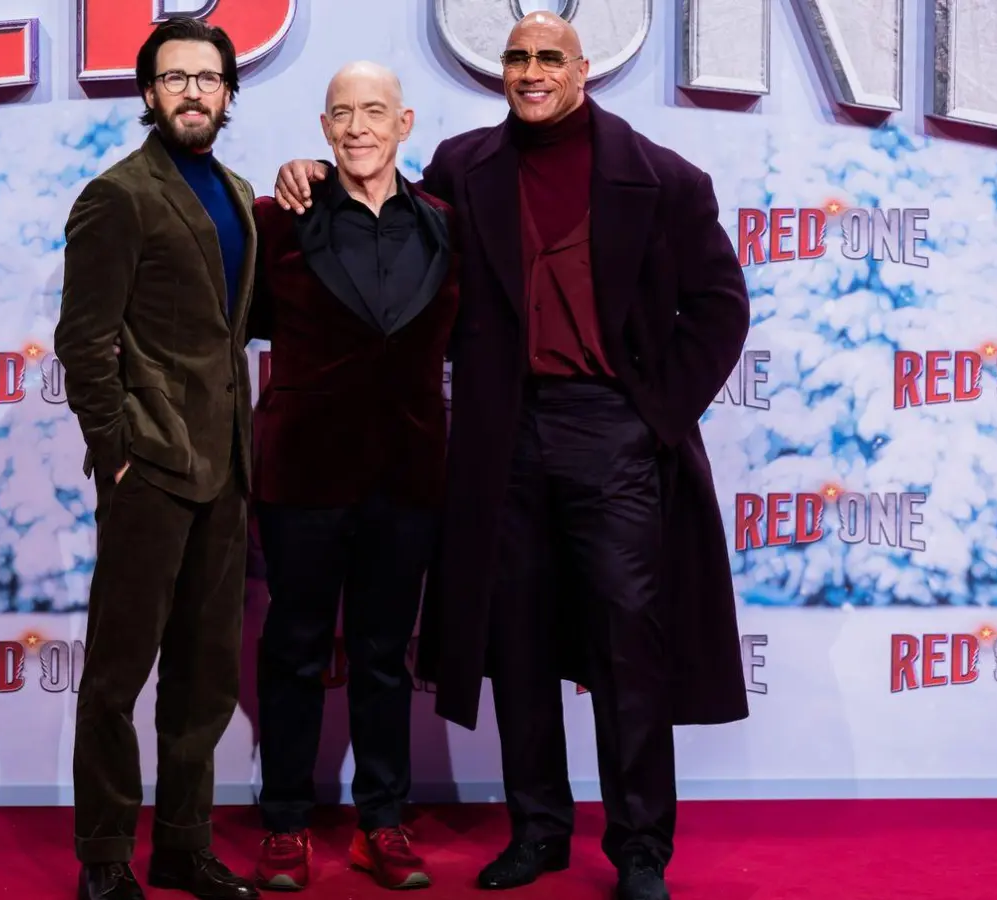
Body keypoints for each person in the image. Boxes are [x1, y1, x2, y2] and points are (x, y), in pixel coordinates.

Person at [273, 13, 751, 900]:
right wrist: (306, 173)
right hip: (503, 436)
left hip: (614, 433)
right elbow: (386, 214)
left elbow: (720, 308)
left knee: (626, 647)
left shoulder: (666, 179)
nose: (530, 72)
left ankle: (641, 847)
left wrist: (655, 414)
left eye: (548, 59)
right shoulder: (463, 166)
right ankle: (539, 830)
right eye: (517, 57)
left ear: (582, 71)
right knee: (520, 639)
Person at [55, 16, 261, 900]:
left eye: (206, 79)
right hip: (151, 470)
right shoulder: (119, 195)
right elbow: (83, 341)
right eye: (173, 78)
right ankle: (104, 861)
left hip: (227, 469)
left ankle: (182, 845)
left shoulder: (241, 193)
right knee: (116, 675)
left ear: (227, 95)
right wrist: (118, 454)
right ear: (148, 95)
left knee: (205, 677)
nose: (191, 92)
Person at [248, 62, 460, 892]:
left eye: (375, 111)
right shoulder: (281, 220)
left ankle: (383, 821)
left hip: (407, 472)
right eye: (343, 113)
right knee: (295, 649)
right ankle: (285, 825)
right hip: (302, 470)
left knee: (382, 656)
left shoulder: (447, 224)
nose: (359, 127)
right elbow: (243, 324)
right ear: (325, 126)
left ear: (405, 124)